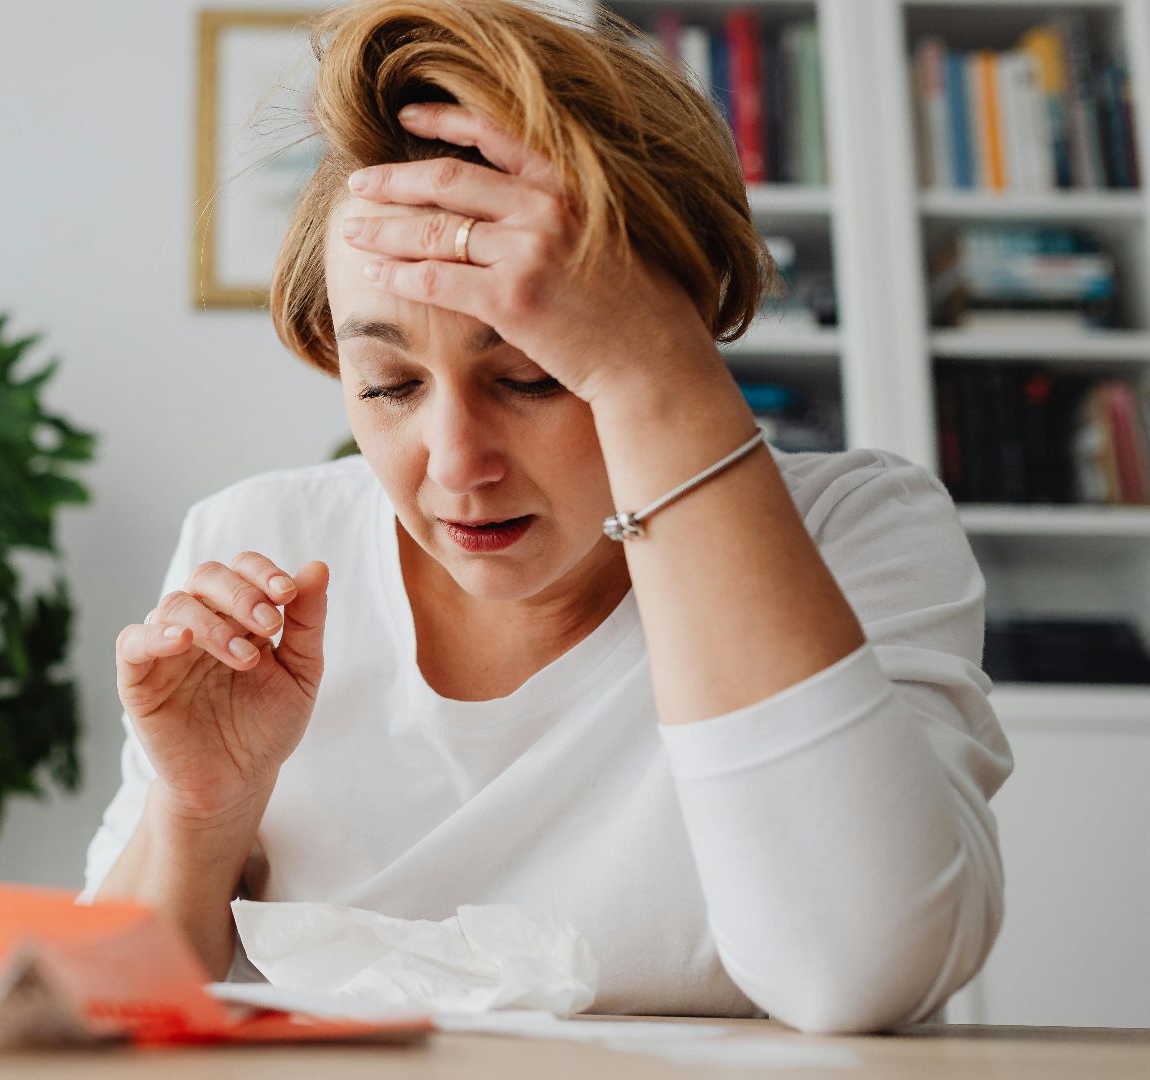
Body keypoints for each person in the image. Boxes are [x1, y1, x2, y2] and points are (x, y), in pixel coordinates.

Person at [81, 0, 1012, 1035]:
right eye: (387, 384)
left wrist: (658, 374)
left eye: (531, 376)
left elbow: (858, 972)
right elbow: (112, 1010)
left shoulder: (856, 531)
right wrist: (202, 813)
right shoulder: (263, 542)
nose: (456, 464)